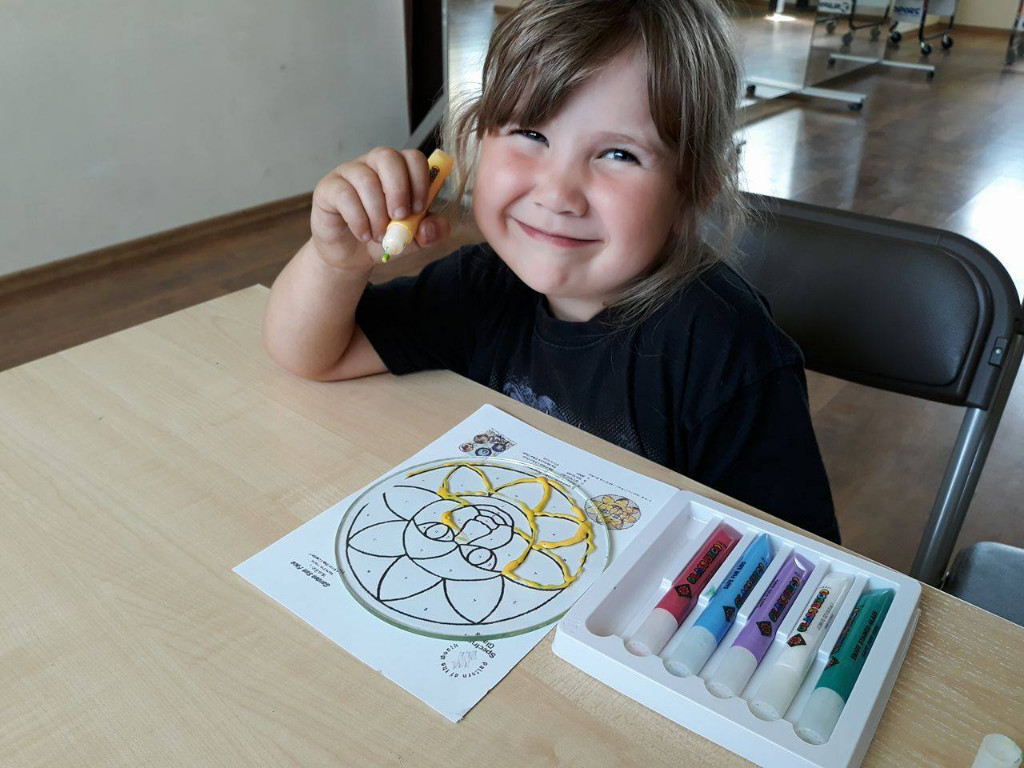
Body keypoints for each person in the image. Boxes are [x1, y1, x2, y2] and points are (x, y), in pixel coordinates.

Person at [264, 0, 840, 542]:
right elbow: (315, 355)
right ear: (476, 141)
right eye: (532, 134)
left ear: (694, 190)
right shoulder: (483, 285)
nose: (558, 194)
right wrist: (335, 261)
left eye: (619, 154)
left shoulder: (726, 350)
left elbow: (794, 565)